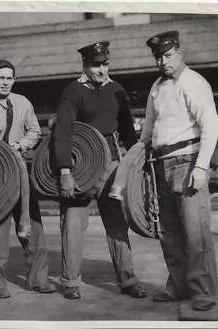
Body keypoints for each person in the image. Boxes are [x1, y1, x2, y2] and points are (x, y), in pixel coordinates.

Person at [52, 41, 147, 300]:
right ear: (85, 65)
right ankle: (71, 282)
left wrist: (136, 166)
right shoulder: (72, 92)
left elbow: (128, 131)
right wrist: (64, 172)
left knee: (117, 224)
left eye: (105, 64)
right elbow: (62, 133)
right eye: (96, 65)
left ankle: (127, 280)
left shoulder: (117, 90)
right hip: (80, 166)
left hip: (112, 163)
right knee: (72, 224)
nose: (102, 70)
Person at [140, 31, 218, 312]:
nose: (163, 61)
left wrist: (201, 166)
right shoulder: (157, 86)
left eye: (168, 55)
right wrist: (139, 156)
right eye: (159, 57)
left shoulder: (194, 83)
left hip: (188, 162)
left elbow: (211, 127)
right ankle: (177, 285)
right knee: (169, 232)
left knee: (195, 231)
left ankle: (202, 291)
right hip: (160, 164)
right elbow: (149, 129)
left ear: (180, 53)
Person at [0, 59, 56, 299]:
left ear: (14, 80)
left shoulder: (22, 103)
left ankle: (38, 278)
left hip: (20, 172)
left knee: (32, 224)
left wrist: (20, 145)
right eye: (1, 78)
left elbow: (35, 132)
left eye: (10, 78)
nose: (6, 82)